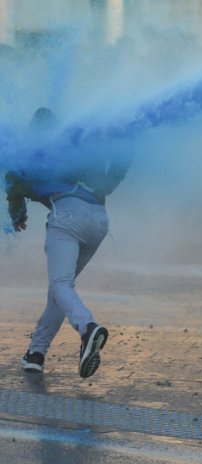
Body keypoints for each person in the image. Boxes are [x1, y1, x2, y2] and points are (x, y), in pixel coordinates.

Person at [6, 107, 131, 378]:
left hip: (67, 217)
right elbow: (125, 148)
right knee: (62, 290)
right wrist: (111, 182)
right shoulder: (79, 142)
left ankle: (87, 329)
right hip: (99, 221)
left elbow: (13, 183)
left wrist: (18, 215)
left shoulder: (35, 154)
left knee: (61, 285)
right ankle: (36, 353)